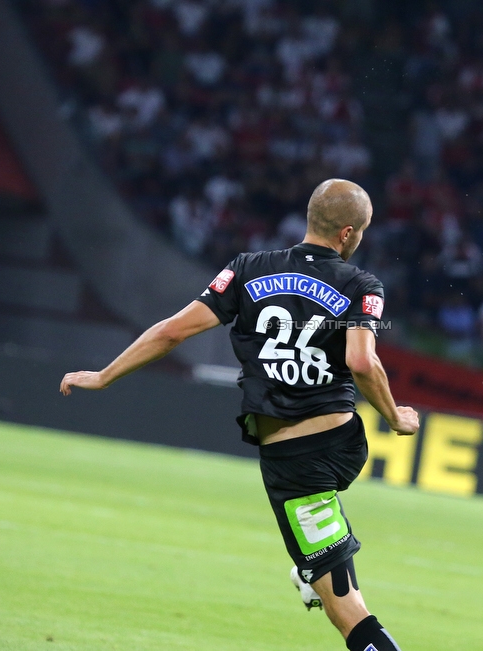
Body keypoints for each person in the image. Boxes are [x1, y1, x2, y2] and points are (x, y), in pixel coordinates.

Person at [59, 179, 418, 651]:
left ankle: (317, 574)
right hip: (343, 440)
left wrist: (105, 375)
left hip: (298, 464)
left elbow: (171, 332)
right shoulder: (360, 284)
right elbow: (362, 360)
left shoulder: (248, 269)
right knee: (322, 554)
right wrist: (394, 417)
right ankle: (314, 569)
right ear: (349, 234)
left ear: (312, 219)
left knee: (346, 607)